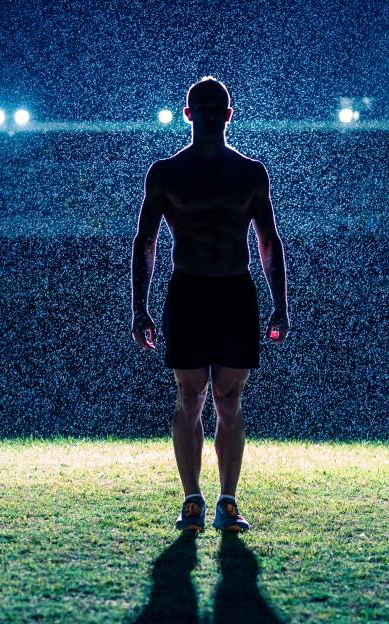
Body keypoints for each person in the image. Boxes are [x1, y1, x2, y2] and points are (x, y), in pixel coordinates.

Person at [131, 76, 290, 533]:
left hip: (235, 292)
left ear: (228, 114)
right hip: (188, 291)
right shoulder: (165, 172)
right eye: (197, 106)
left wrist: (281, 303)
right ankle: (192, 500)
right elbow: (146, 242)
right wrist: (139, 307)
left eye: (212, 106)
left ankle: (227, 501)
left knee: (228, 398)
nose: (204, 113)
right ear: (187, 114)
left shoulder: (250, 172)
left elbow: (268, 240)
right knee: (190, 396)